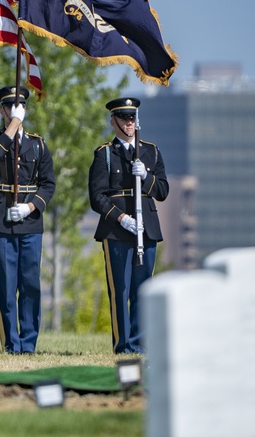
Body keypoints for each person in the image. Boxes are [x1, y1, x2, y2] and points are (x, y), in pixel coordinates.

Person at [0, 86, 56, 354]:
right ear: (1, 110)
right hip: (0, 218)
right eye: (9, 107)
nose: (15, 111)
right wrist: (13, 124)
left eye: (19, 107)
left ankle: (29, 343)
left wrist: (30, 207)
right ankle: (11, 343)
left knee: (31, 284)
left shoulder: (37, 143)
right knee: (7, 285)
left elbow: (48, 184)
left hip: (30, 221)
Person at [89, 97, 168, 355]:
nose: (129, 123)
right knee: (120, 289)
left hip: (146, 228)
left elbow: (163, 191)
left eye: (132, 118)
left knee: (143, 289)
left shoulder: (151, 152)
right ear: (114, 121)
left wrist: (145, 176)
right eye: (124, 118)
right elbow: (97, 196)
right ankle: (123, 344)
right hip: (117, 229)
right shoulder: (105, 154)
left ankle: (140, 343)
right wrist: (121, 218)